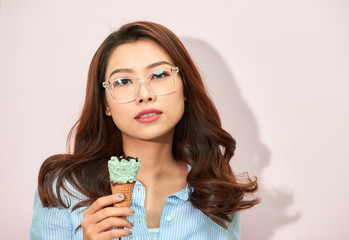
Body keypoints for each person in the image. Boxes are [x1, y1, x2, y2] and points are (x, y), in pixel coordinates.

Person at [30, 21, 259, 240]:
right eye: (122, 81)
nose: (144, 94)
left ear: (185, 88)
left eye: (159, 75)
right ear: (105, 105)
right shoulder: (63, 189)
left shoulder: (217, 194)